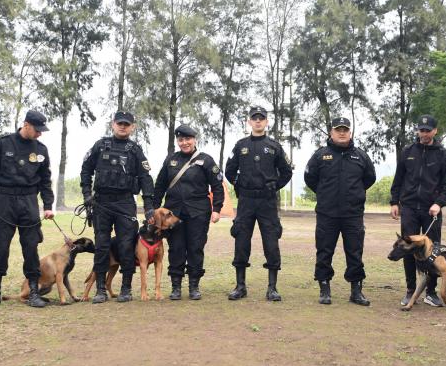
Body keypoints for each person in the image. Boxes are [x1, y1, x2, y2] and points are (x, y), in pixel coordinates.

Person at [0, 110, 55, 308]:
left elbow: (46, 180)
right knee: (1, 246)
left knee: (31, 247)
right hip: (5, 199)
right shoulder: (4, 144)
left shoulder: (41, 150)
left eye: (41, 131)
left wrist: (48, 205)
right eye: (37, 130)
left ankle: (34, 292)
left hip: (29, 200)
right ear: (26, 124)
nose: (39, 134)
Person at [80, 110, 155, 304]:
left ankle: (126, 288)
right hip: (101, 203)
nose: (122, 126)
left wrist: (148, 207)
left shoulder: (135, 150)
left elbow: (146, 179)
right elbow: (86, 170)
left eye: (126, 124)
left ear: (132, 127)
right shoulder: (100, 145)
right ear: (113, 124)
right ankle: (100, 290)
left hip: (124, 202)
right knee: (102, 246)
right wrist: (87, 194)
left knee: (126, 245)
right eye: (119, 123)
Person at [304, 116, 376, 306]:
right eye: (338, 130)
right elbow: (310, 178)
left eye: (345, 129)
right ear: (331, 132)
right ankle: (324, 289)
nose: (342, 133)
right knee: (324, 251)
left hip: (353, 214)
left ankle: (356, 291)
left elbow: (370, 178)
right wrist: (324, 194)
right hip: (327, 214)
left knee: (355, 252)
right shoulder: (320, 155)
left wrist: (355, 195)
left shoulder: (360, 156)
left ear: (350, 132)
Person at [225, 106, 293, 301]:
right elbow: (230, 170)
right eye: (254, 118)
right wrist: (239, 184)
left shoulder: (274, 146)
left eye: (261, 118)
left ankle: (272, 288)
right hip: (246, 200)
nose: (258, 121)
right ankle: (240, 286)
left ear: (266, 121)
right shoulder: (240, 145)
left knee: (271, 242)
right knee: (241, 241)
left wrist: (275, 186)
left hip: (267, 201)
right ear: (249, 121)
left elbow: (286, 172)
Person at [389, 114, 446, 307]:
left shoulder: (443, 154)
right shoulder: (408, 151)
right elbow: (398, 179)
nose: (424, 133)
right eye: (421, 130)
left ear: (435, 131)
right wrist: (395, 202)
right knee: (407, 249)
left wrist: (439, 203)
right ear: (417, 131)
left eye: (428, 130)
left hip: (431, 211)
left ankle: (431, 292)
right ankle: (410, 291)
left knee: (433, 252)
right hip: (409, 208)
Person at [153, 124, 224, 300]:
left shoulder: (205, 160)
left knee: (195, 248)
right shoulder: (170, 160)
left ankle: (194, 286)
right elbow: (160, 186)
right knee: (176, 248)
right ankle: (176, 287)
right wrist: (153, 209)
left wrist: (217, 209)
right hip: (173, 214)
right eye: (181, 140)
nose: (184, 143)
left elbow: (217, 185)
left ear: (194, 140)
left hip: (198, 212)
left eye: (188, 139)